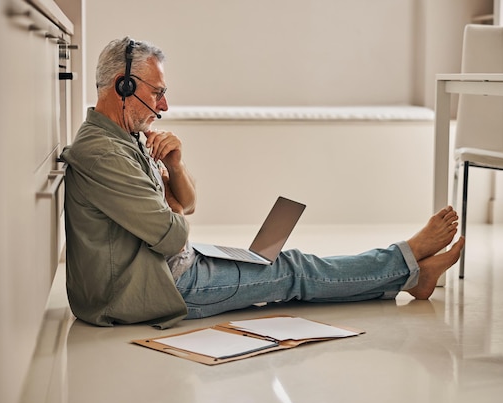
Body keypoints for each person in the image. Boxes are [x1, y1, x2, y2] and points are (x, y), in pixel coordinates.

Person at [60, 37, 465, 329]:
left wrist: (175, 166)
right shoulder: (104, 154)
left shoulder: (125, 137)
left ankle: (412, 275)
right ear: (124, 87)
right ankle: (407, 259)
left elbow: (190, 203)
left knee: (278, 261)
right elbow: (173, 236)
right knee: (292, 269)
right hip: (156, 288)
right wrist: (171, 203)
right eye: (159, 93)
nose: (165, 106)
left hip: (164, 269)